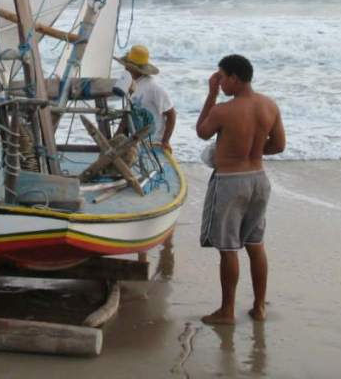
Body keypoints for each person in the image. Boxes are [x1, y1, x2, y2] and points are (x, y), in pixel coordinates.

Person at [196, 54, 286, 325]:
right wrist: (253, 152)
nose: (220, 83)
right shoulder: (269, 105)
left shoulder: (224, 110)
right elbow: (279, 145)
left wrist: (210, 94)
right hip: (259, 178)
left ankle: (227, 311)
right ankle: (259, 307)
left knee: (228, 248)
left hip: (230, 181)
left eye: (221, 77)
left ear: (234, 78)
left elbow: (202, 131)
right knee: (255, 244)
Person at [115, 44, 177, 153]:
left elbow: (171, 114)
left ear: (136, 69)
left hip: (153, 143)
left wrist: (165, 141)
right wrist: (116, 138)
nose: (125, 68)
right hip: (136, 142)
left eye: (127, 66)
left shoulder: (154, 88)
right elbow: (128, 115)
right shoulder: (131, 85)